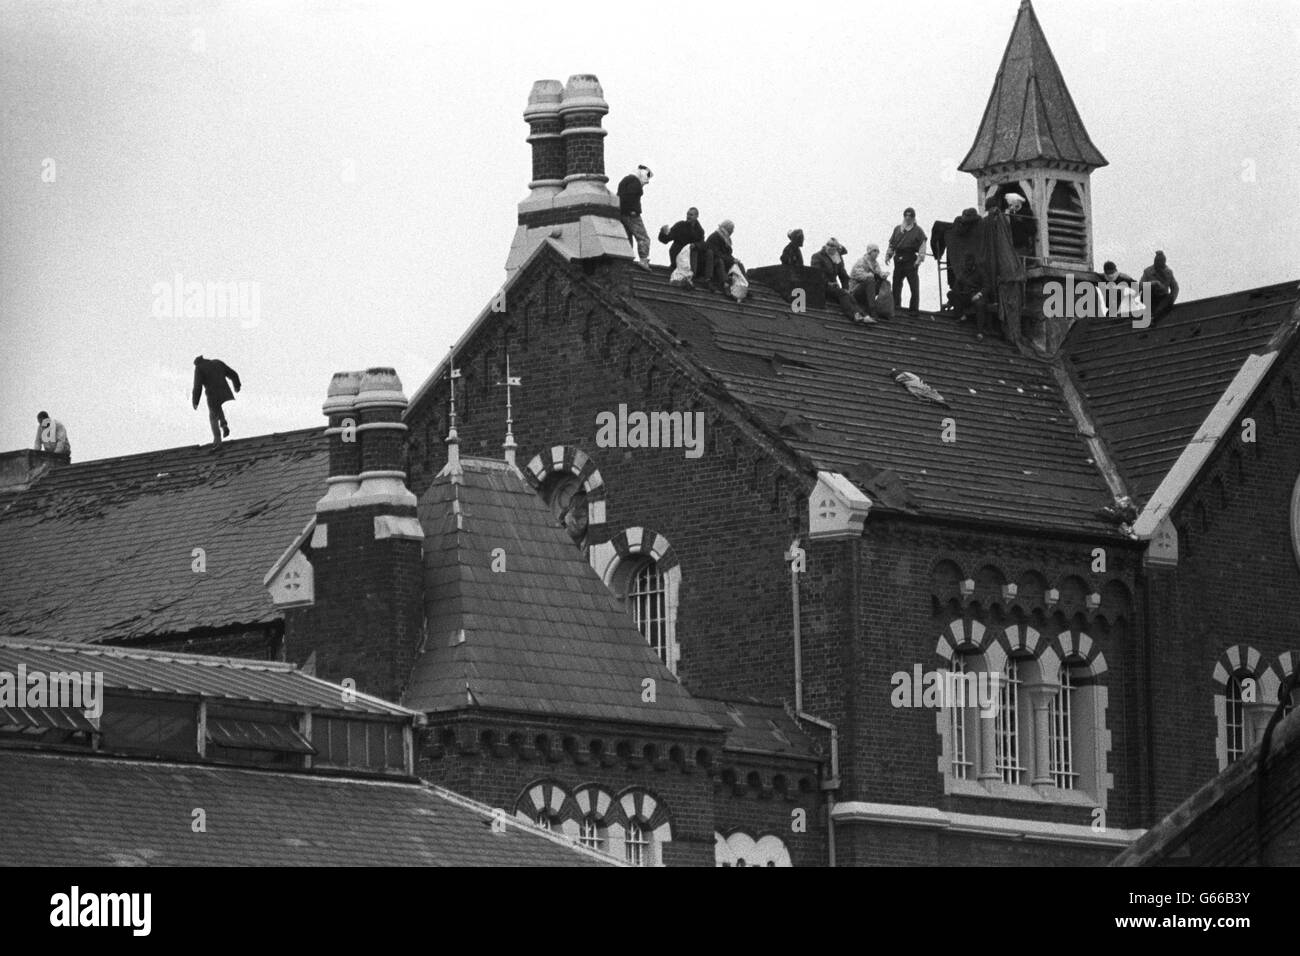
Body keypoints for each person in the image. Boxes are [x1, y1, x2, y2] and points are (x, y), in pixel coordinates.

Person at [811, 238, 872, 325]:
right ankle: (854, 315)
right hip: (821, 286)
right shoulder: (817, 257)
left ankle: (864, 315)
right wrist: (828, 283)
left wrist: (846, 287)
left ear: (836, 248)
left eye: (832, 246)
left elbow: (843, 276)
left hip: (833, 286)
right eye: (828, 244)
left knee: (849, 295)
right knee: (842, 294)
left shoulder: (837, 258)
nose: (829, 247)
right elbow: (816, 274)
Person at [192, 355, 242, 447]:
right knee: (218, 408)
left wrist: (195, 401)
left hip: (212, 394)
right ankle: (224, 425)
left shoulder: (199, 368)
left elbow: (197, 386)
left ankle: (217, 440)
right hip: (223, 391)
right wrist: (237, 385)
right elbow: (232, 373)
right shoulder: (217, 363)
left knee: (213, 416)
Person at [886, 207, 927, 315]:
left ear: (913, 217)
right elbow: (892, 244)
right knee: (896, 284)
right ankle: (895, 306)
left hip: (910, 258)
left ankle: (913, 309)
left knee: (913, 285)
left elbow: (922, 246)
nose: (908, 217)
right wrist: (888, 255)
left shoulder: (918, 231)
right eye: (906, 215)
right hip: (898, 258)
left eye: (910, 215)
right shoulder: (897, 229)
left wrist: (919, 259)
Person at [947, 254, 994, 337]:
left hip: (977, 295)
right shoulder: (964, 272)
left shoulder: (981, 272)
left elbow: (987, 286)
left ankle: (980, 331)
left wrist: (979, 294)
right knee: (951, 294)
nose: (967, 267)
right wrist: (955, 294)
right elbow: (957, 285)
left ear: (973, 265)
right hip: (967, 295)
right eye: (966, 265)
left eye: (969, 265)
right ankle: (961, 316)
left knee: (980, 305)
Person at [616, 165, 653, 270]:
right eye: (648, 176)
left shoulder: (626, 180)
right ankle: (643, 260)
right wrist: (632, 210)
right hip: (631, 214)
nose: (647, 180)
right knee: (643, 238)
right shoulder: (635, 182)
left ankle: (627, 258)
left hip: (621, 213)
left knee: (627, 237)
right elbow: (630, 196)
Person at [660, 207, 705, 284]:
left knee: (697, 252)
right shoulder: (680, 225)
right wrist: (663, 233)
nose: (688, 216)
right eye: (687, 214)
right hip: (677, 255)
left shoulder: (700, 231)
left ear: (696, 216)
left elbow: (702, 244)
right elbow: (666, 239)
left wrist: (695, 245)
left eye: (691, 215)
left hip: (691, 259)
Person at [702, 220, 744, 296]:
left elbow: (728, 254)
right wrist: (731, 260)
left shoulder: (726, 239)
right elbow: (716, 253)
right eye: (731, 229)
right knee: (720, 261)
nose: (732, 232)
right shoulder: (715, 237)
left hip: (723, 260)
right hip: (713, 263)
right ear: (727, 229)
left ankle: (743, 286)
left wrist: (734, 260)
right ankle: (725, 284)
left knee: (739, 265)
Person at [850, 244, 890, 317]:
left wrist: (882, 275)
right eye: (874, 251)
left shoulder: (875, 263)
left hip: (866, 290)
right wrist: (872, 275)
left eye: (878, 251)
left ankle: (881, 304)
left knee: (882, 281)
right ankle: (872, 308)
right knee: (870, 280)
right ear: (869, 251)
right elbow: (859, 275)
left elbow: (878, 272)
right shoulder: (861, 261)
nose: (876, 253)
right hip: (855, 290)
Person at [1140, 250, 1179, 322]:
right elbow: (1140, 286)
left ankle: (1155, 316)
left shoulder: (1168, 272)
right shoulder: (1148, 271)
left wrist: (1171, 300)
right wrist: (1153, 283)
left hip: (1162, 298)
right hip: (1150, 298)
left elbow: (1175, 288)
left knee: (1169, 298)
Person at [1004, 193, 1037, 261]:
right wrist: (1007, 217)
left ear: (1017, 203)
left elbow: (1033, 229)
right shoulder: (1010, 214)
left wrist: (1020, 221)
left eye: (1011, 204)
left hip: (1023, 246)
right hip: (1012, 245)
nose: (1010, 207)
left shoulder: (1027, 212)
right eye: (1009, 205)